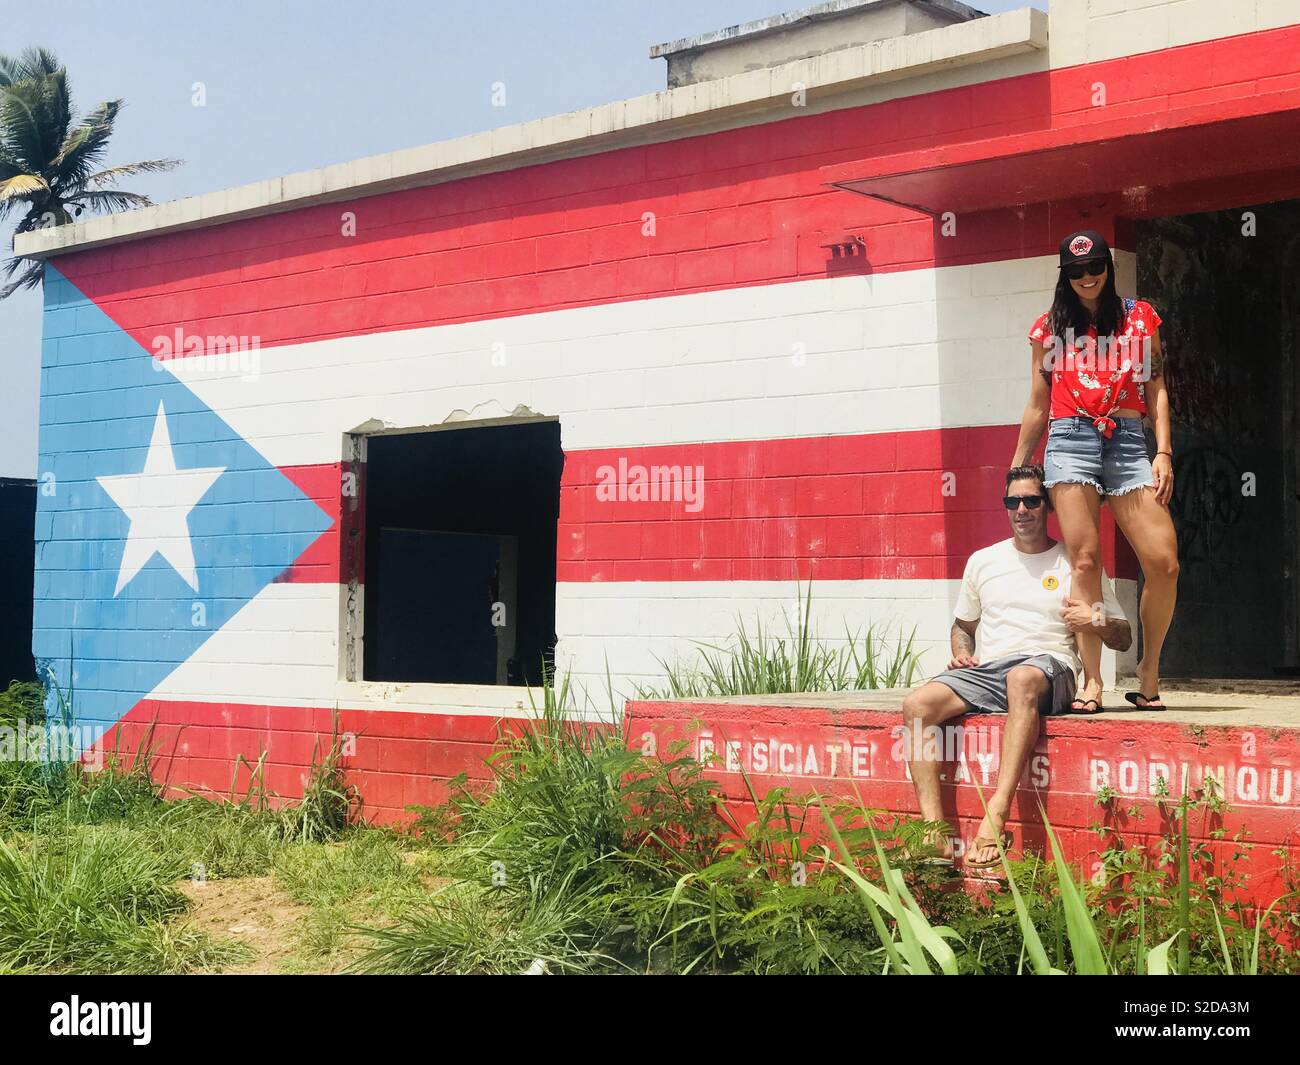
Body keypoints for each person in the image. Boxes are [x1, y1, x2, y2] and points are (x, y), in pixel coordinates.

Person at [899, 466, 1131, 869]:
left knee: (1020, 678)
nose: (1021, 509)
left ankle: (997, 814)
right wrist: (961, 651)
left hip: (1049, 667)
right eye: (1012, 502)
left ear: (1049, 507)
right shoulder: (984, 561)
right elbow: (963, 626)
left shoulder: (1074, 563)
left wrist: (1093, 620)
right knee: (918, 705)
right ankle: (934, 835)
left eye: (1031, 501)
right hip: (990, 670)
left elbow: (1124, 636)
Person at [1011, 229, 1178, 712]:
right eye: (1077, 270)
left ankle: (1149, 671)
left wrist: (1162, 452)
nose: (1087, 277)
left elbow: (1156, 389)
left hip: (1126, 442)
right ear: (1066, 275)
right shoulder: (1048, 329)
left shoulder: (1139, 318)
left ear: (1109, 267)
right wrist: (1019, 463)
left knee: (1163, 561)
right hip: (1070, 440)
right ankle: (1092, 679)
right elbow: (1038, 405)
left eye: (1095, 267)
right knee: (1085, 561)